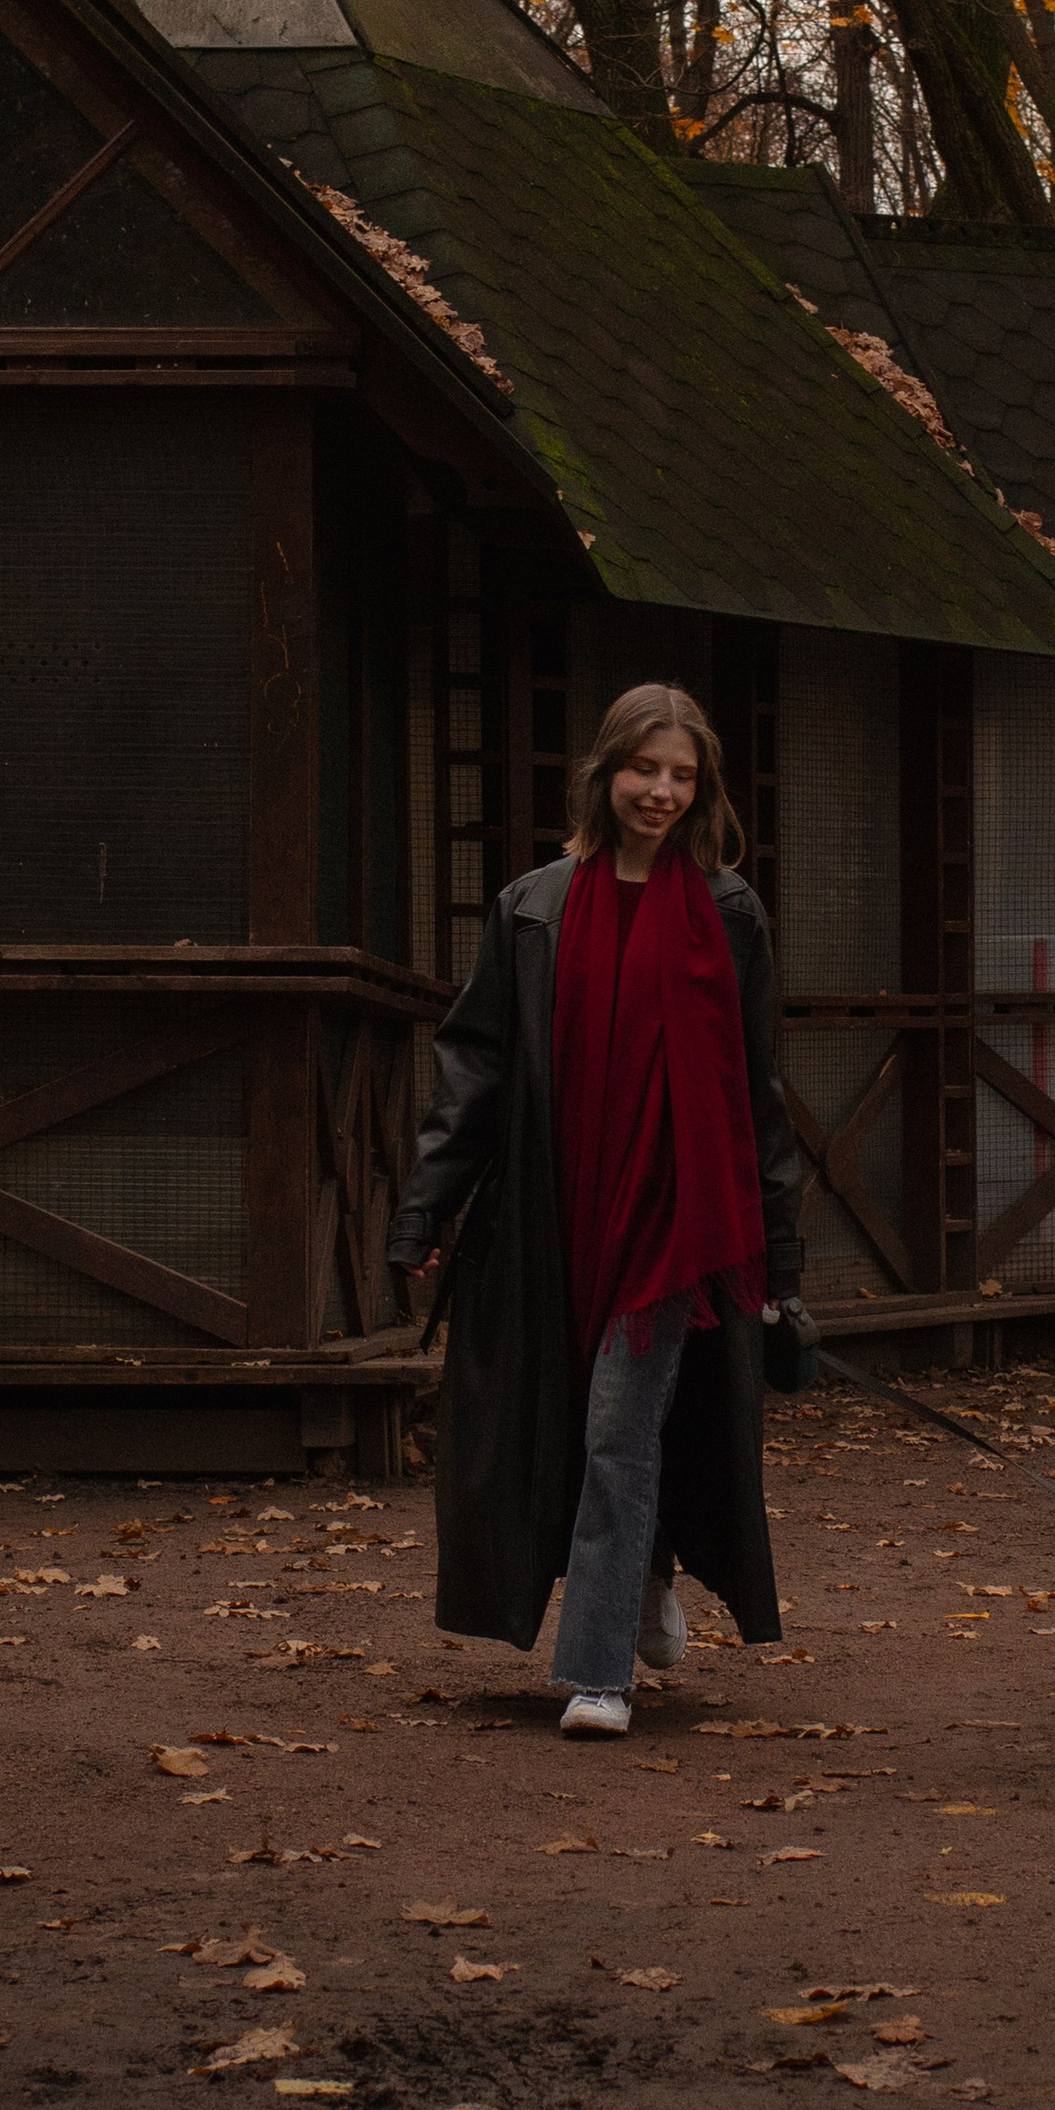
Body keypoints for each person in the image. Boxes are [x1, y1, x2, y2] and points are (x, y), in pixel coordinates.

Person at [386, 683, 807, 1738]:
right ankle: (646, 1569)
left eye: (681, 775)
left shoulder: (728, 911)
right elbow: (474, 1071)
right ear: (605, 772)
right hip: (550, 1216)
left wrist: (783, 1261)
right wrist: (423, 1214)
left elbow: (759, 1092)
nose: (662, 792)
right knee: (572, 1427)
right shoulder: (534, 905)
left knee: (619, 1428)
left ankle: (596, 1675)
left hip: (679, 1223)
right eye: (644, 769)